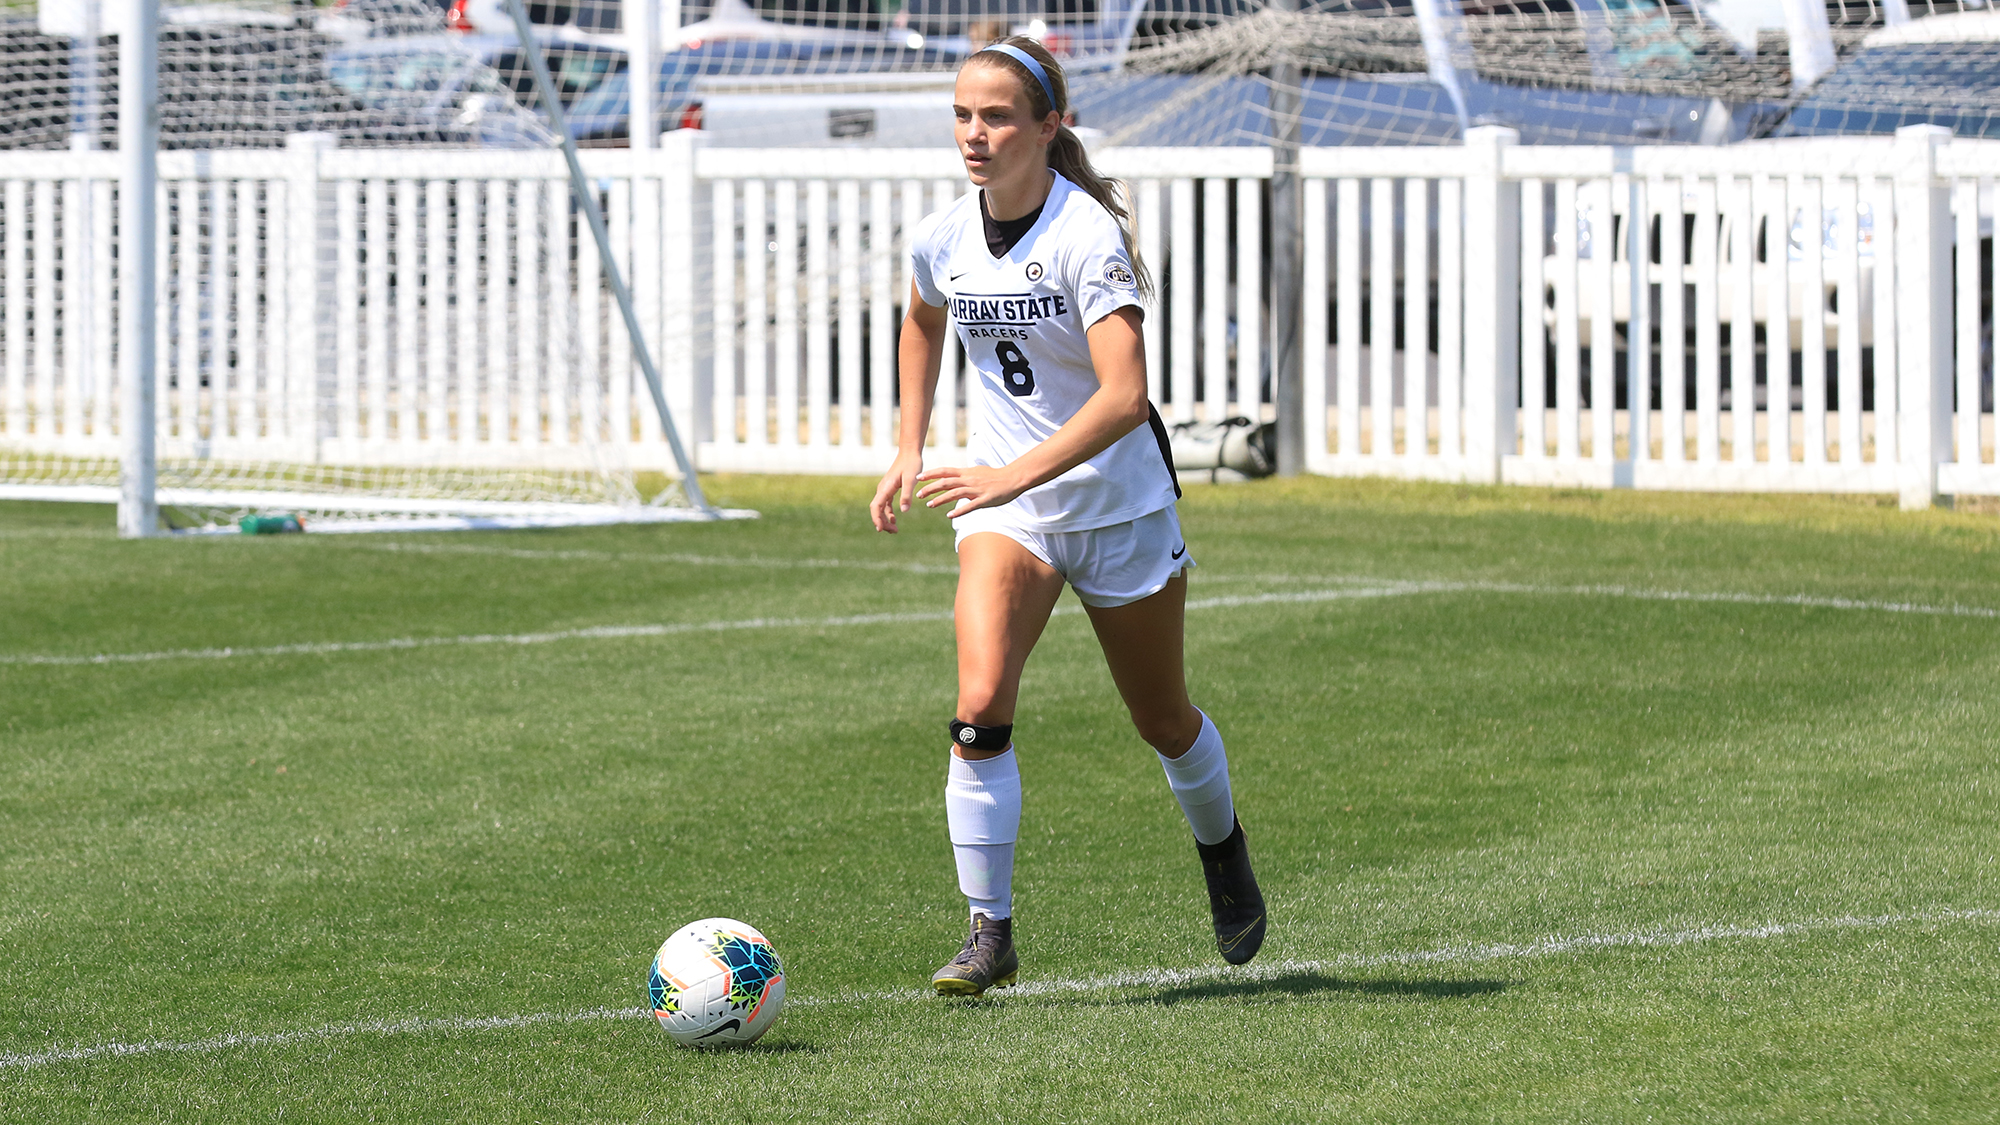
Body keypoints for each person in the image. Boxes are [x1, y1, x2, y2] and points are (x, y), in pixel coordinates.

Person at [869, 36, 1266, 997]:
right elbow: (922, 318)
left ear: (1052, 126)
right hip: (1014, 519)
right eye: (963, 114)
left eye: (997, 116)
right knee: (978, 707)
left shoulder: (1085, 235)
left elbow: (1125, 395)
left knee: (1162, 718)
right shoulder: (944, 234)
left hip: (1118, 506)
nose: (975, 133)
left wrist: (1011, 475)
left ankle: (1222, 851)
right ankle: (988, 932)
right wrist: (909, 446)